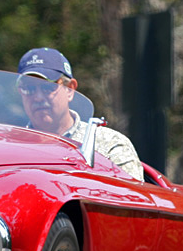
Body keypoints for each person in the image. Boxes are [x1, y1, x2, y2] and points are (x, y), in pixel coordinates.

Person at [17, 47, 144, 181]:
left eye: (47, 87)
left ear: (70, 89)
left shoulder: (108, 145)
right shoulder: (13, 149)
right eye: (29, 88)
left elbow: (132, 197)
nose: (38, 97)